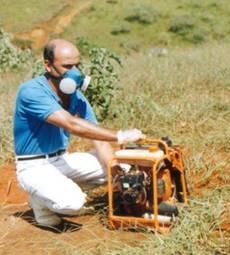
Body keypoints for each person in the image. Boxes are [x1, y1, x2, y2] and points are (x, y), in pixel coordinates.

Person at [13, 39, 143, 229]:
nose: (75, 73)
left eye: (77, 65)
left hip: (61, 160)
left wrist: (115, 175)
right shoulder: (31, 91)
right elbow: (71, 124)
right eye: (67, 66)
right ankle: (40, 202)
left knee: (123, 167)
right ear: (48, 65)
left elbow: (97, 139)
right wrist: (120, 136)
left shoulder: (76, 97)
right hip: (34, 166)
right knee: (73, 203)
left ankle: (53, 189)